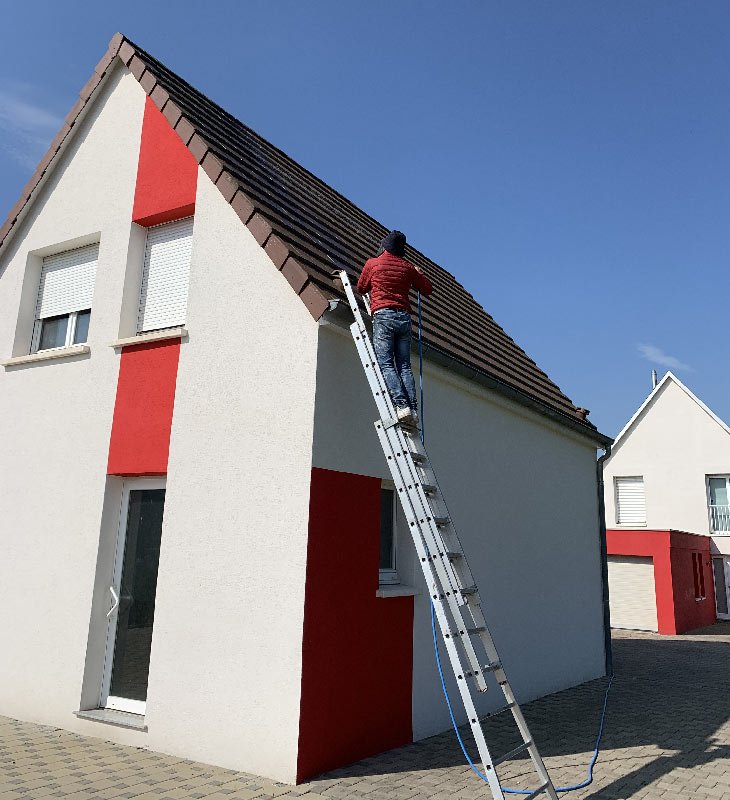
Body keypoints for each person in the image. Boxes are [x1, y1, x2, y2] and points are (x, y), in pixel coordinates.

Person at [357, 230, 433, 426]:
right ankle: (413, 409)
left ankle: (401, 405)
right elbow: (427, 289)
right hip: (403, 318)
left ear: (384, 246)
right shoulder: (407, 267)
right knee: (404, 366)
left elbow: (362, 287)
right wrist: (418, 273)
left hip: (383, 315)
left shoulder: (373, 263)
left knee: (386, 363)